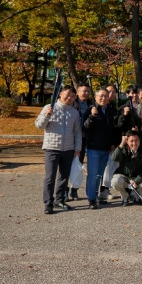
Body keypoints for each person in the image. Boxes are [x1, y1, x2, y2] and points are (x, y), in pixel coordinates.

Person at [35, 85, 82, 215]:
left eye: (73, 96)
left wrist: (77, 149)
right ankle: (48, 203)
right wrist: (46, 116)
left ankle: (59, 199)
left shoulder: (74, 112)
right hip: (52, 148)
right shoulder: (49, 108)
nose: (70, 98)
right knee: (50, 177)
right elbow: (39, 125)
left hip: (68, 149)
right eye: (67, 94)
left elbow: (77, 132)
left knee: (64, 177)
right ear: (60, 93)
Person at [82, 89, 118, 209]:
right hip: (93, 148)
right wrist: (92, 116)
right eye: (101, 96)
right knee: (93, 175)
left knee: (99, 175)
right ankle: (91, 198)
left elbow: (113, 129)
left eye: (106, 96)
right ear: (96, 97)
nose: (103, 98)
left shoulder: (110, 111)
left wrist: (112, 143)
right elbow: (85, 127)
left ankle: (95, 195)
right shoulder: (91, 110)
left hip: (106, 148)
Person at [110, 130, 142, 207]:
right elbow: (114, 158)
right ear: (127, 141)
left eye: (136, 140)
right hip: (124, 175)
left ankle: (135, 195)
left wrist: (137, 181)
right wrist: (121, 144)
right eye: (131, 141)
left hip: (138, 176)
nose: (134, 143)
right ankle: (125, 197)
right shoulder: (123, 149)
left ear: (140, 140)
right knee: (115, 181)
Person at [69, 83, 91, 201]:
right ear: (77, 92)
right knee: (68, 165)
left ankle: (74, 190)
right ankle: (64, 190)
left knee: (78, 165)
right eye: (83, 91)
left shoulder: (91, 104)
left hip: (85, 138)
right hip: (72, 137)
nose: (86, 93)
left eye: (88, 91)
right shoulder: (72, 103)